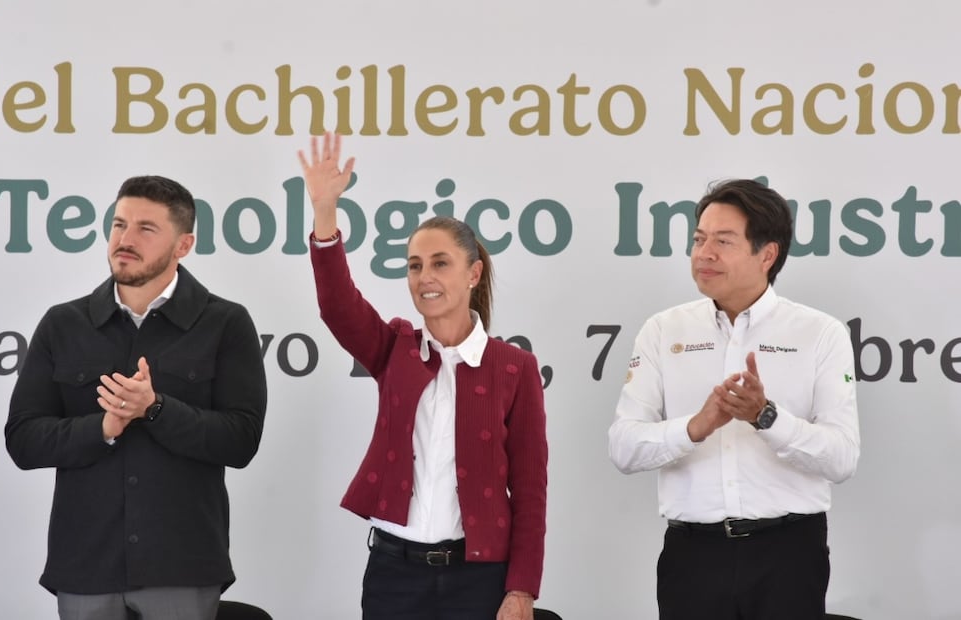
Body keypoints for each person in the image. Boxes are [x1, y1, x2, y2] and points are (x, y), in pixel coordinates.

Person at [298, 133, 547, 620]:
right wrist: (325, 212)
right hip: (395, 573)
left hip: (480, 579)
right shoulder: (395, 347)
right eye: (414, 266)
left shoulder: (515, 368)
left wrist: (522, 590)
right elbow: (337, 305)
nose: (424, 277)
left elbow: (531, 490)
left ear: (473, 275)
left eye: (439, 263)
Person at [5, 175, 267, 620]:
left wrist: (156, 409)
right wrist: (102, 428)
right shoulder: (62, 324)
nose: (124, 240)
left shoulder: (226, 322)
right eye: (118, 224)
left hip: (183, 564)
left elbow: (241, 441)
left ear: (183, 245)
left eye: (146, 228)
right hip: (85, 564)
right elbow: (23, 441)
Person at [608, 179, 860, 619]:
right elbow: (623, 448)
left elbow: (841, 459)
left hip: (789, 556)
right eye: (699, 239)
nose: (704, 254)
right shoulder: (664, 330)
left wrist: (766, 417)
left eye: (723, 242)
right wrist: (694, 428)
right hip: (692, 557)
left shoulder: (820, 333)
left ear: (767, 254)